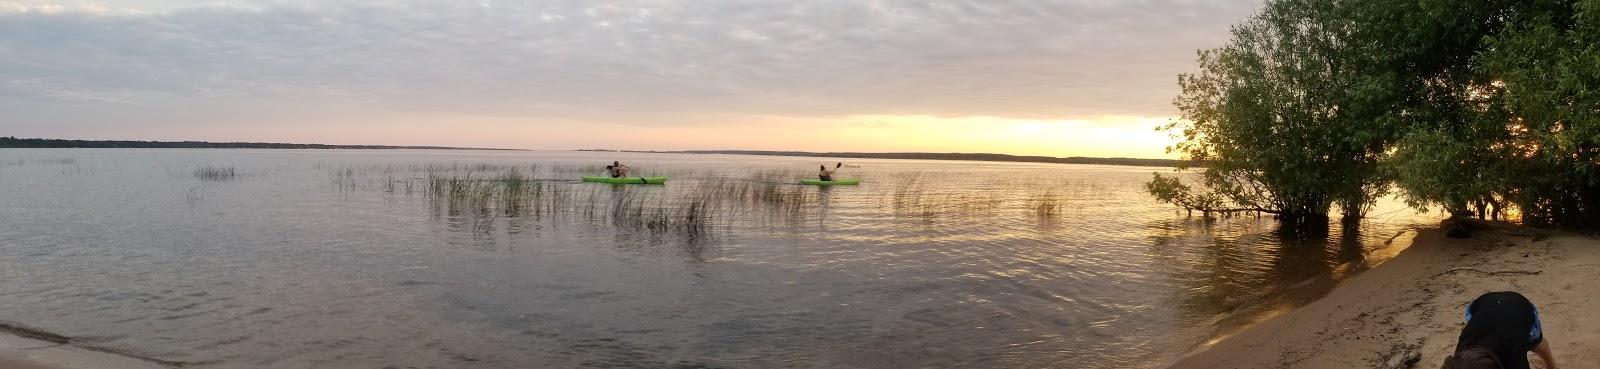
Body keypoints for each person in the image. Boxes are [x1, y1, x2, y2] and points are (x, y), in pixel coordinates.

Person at [1441, 291, 1557, 369]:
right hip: (1482, 304)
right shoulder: (1461, 355)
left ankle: (1553, 366)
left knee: (1537, 345)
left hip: (1519, 306)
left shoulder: (1514, 355)